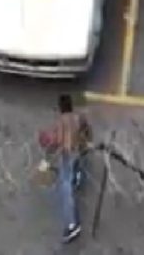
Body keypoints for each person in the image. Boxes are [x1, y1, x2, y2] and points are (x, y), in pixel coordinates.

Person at [39, 94, 93, 243]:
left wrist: (46, 161)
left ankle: (72, 225)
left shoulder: (61, 122)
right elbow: (87, 131)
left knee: (65, 189)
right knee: (76, 168)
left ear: (60, 107)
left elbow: (55, 143)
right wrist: (87, 143)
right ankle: (78, 177)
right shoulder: (78, 117)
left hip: (67, 155)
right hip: (78, 152)